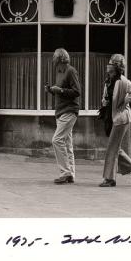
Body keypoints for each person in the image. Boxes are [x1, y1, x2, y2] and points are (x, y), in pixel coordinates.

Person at [99, 54, 131, 187]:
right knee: (116, 148)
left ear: (116, 66)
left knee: (111, 148)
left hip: (121, 118)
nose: (108, 66)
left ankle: (109, 179)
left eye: (111, 64)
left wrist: (126, 100)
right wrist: (104, 101)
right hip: (113, 117)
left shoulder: (122, 81)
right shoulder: (109, 80)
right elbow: (107, 98)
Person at [45, 48, 81, 184]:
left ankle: (65, 172)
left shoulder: (70, 71)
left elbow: (77, 91)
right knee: (66, 143)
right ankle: (71, 174)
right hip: (61, 111)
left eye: (54, 57)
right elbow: (63, 92)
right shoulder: (59, 72)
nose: (53, 60)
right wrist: (51, 90)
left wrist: (59, 90)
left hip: (69, 111)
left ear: (60, 59)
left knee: (57, 140)